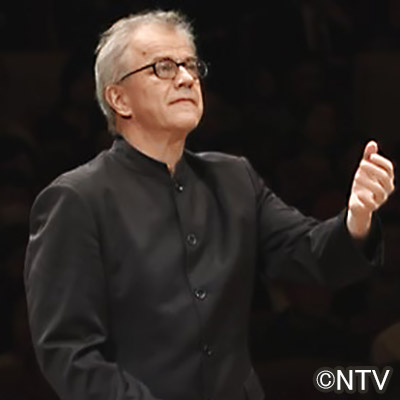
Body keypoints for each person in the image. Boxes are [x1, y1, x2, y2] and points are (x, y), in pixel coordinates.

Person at [24, 10, 395, 400]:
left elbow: (311, 256)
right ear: (119, 98)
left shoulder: (234, 178)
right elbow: (69, 353)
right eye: (163, 67)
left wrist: (357, 217)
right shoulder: (76, 198)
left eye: (190, 65)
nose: (186, 78)